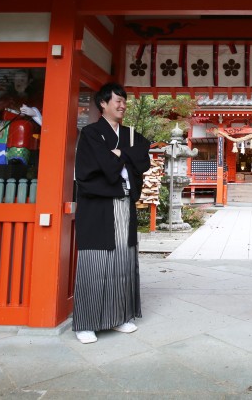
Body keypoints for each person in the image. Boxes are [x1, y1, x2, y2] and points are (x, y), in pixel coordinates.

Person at [72, 83, 151, 344]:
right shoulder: (91, 133)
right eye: (117, 101)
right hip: (98, 207)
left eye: (124, 101)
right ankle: (86, 323)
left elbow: (143, 159)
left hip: (124, 204)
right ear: (103, 104)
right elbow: (99, 167)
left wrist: (119, 153)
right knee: (94, 263)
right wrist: (121, 159)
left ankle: (119, 317)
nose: (122, 105)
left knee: (122, 263)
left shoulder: (129, 135)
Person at [0, 69, 43, 165]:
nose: (19, 82)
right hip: (3, 124)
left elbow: (42, 119)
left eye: (22, 80)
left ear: (29, 81)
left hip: (21, 124)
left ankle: (16, 156)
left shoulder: (35, 98)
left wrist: (33, 113)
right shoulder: (6, 98)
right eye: (17, 79)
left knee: (21, 126)